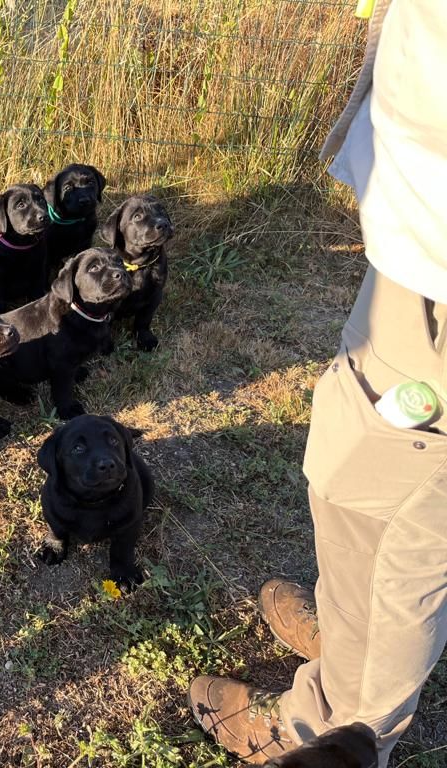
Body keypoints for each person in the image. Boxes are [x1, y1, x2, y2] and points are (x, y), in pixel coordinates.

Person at [186, 0, 447, 765]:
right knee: (357, 467)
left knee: (399, 519)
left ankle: (332, 728)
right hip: (426, 237)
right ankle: (349, 649)